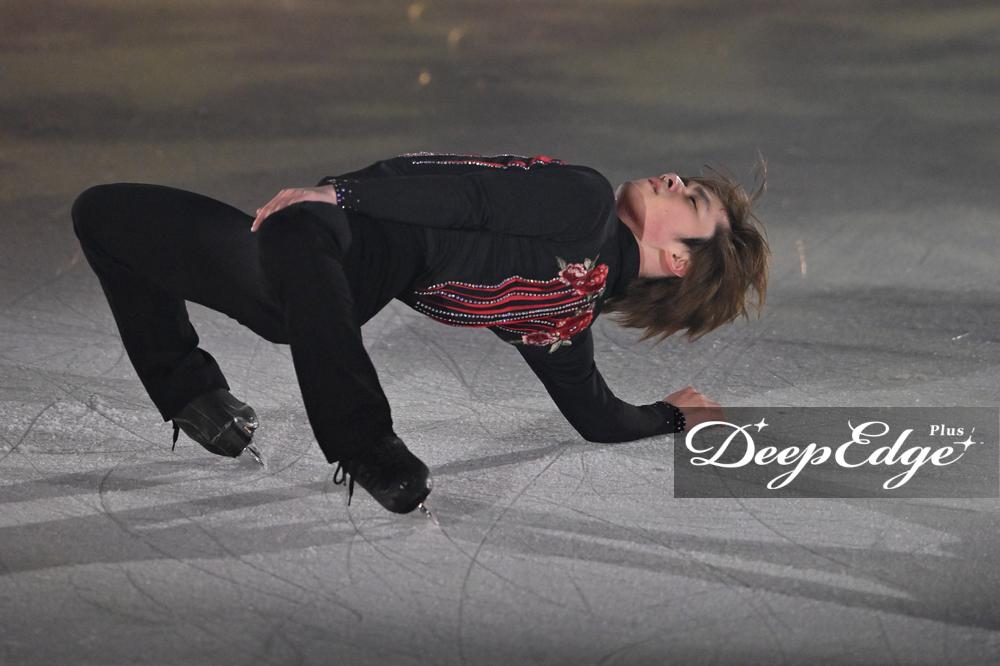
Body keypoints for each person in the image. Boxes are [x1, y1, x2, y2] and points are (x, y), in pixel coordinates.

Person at [70, 152, 769, 515]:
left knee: (284, 276)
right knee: (103, 214)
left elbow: (595, 413)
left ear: (679, 261)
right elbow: (471, 194)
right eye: (686, 182)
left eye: (691, 199)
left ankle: (366, 447)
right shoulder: (574, 246)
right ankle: (193, 395)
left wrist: (670, 416)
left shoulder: (567, 291)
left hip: (330, 263)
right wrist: (338, 197)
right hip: (324, 247)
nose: (673, 178)